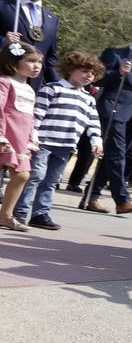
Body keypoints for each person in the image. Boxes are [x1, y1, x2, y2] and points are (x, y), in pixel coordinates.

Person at [13, 51, 104, 230]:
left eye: (92, 73)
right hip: (44, 142)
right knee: (35, 177)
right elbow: (37, 114)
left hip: (66, 145)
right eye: (84, 71)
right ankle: (20, 211)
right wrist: (34, 135)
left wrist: (96, 141)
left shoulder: (88, 99)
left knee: (51, 180)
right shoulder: (52, 89)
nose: (89, 76)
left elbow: (93, 123)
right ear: (70, 69)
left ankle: (40, 213)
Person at [83, 25, 132, 214]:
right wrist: (117, 73)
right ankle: (122, 200)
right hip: (113, 110)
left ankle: (91, 197)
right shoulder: (115, 54)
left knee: (113, 158)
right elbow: (96, 78)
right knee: (117, 156)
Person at [0, 42, 43, 230]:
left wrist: (32, 135)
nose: (37, 66)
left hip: (21, 137)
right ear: (14, 61)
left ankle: (6, 215)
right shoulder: (5, 82)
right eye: (31, 61)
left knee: (23, 175)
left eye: (39, 62)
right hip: (7, 134)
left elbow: (30, 116)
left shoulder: (30, 88)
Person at [0, 0, 61, 88]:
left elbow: (50, 57)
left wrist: (57, 84)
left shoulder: (52, 18)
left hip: (32, 85)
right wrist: (3, 42)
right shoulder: (2, 4)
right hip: (4, 75)